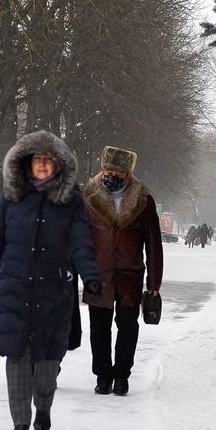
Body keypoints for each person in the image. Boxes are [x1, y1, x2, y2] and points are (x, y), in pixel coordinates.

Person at [0, 130, 101, 430]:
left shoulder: (71, 203)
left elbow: (81, 242)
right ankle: (19, 424)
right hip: (13, 287)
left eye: (47, 161)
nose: (41, 166)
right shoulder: (11, 199)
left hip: (54, 291)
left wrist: (91, 275)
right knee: (16, 356)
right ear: (26, 165)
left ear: (57, 166)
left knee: (46, 361)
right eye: (36, 161)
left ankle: (43, 406)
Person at [82, 146, 163, 396]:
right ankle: (103, 374)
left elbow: (153, 243)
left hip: (130, 274)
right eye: (108, 170)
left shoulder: (143, 200)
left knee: (128, 326)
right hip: (98, 274)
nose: (111, 176)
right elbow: (80, 238)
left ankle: (122, 375)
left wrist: (154, 281)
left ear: (128, 174)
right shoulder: (88, 196)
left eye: (118, 172)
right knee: (99, 327)